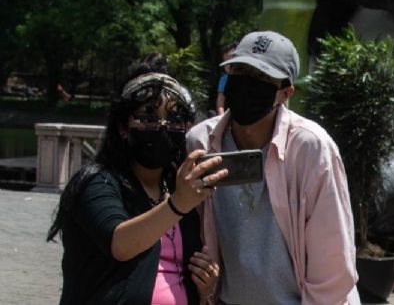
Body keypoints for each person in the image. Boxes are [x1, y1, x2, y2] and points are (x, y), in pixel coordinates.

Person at [186, 30, 360, 305]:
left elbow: (333, 268)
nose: (246, 84)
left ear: (285, 92)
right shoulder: (201, 142)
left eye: (261, 78)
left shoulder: (311, 149)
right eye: (240, 70)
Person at [48, 62, 228, 305]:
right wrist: (177, 205)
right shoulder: (97, 183)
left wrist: (205, 289)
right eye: (148, 118)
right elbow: (120, 244)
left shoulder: (176, 188)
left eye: (174, 119)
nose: (163, 127)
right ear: (123, 126)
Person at [215, 42, 237, 116]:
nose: (228, 64)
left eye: (231, 60)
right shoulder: (224, 79)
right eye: (225, 61)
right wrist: (221, 115)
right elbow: (220, 100)